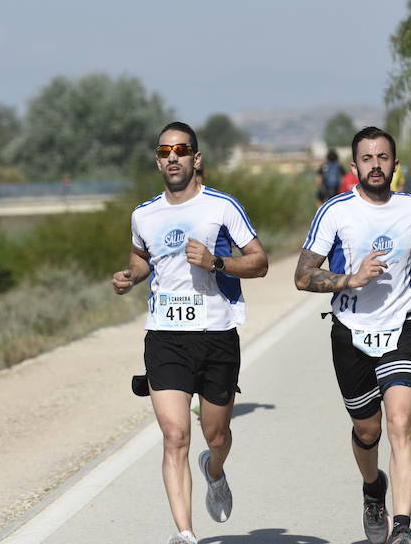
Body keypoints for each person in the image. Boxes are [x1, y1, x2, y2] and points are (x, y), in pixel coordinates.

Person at [112, 122, 269, 544]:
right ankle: (185, 534)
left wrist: (216, 263)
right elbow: (142, 256)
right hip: (165, 336)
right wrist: (132, 275)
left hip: (216, 333)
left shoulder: (222, 207)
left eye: (181, 150)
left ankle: (214, 468)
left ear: (196, 158)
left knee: (215, 435)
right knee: (175, 435)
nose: (173, 157)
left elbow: (259, 262)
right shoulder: (144, 214)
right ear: (158, 160)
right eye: (165, 151)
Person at [294, 126, 411, 544]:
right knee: (368, 431)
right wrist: (350, 278)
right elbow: (302, 276)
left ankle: (401, 530)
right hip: (350, 334)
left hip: (402, 328)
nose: (376, 165)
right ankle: (372, 488)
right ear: (354, 166)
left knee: (401, 422)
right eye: (367, 158)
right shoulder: (335, 211)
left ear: (395, 165)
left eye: (383, 158)